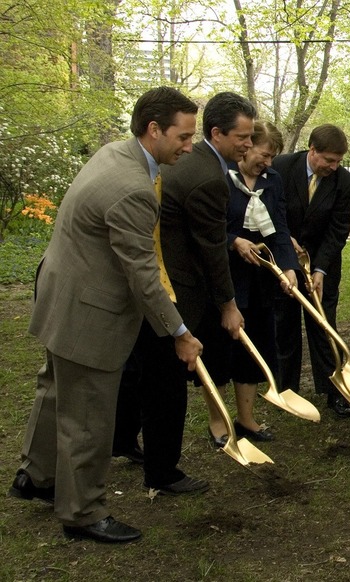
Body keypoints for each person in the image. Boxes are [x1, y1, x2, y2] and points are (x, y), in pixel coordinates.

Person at [9, 87, 203, 544]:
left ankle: (34, 477)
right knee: (89, 416)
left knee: (55, 392)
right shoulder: (134, 188)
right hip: (88, 315)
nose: (189, 146)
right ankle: (81, 512)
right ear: (153, 130)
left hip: (62, 295)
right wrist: (178, 331)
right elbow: (142, 275)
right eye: (184, 136)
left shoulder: (115, 153)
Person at [115, 91, 254, 479]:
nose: (248, 144)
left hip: (151, 282)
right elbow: (212, 250)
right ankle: (163, 471)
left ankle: (121, 438)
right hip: (174, 288)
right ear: (218, 133)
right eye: (242, 137)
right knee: (166, 382)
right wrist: (228, 305)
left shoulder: (186, 162)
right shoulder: (208, 176)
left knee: (137, 369)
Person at [205, 121, 298, 441]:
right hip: (225, 275)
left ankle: (246, 419)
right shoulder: (222, 176)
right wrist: (234, 241)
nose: (268, 163)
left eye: (272, 158)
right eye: (264, 155)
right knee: (221, 350)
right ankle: (218, 422)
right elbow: (207, 227)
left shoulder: (273, 181)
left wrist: (288, 268)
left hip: (260, 278)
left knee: (253, 348)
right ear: (247, 147)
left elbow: (280, 228)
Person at [272, 124, 350, 417]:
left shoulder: (344, 183)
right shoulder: (282, 168)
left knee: (324, 326)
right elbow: (271, 211)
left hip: (323, 264)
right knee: (285, 325)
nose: (333, 167)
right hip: (284, 260)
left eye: (338, 162)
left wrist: (319, 268)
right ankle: (287, 391)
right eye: (328, 161)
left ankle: (333, 391)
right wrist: (285, 241)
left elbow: (338, 230)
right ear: (312, 150)